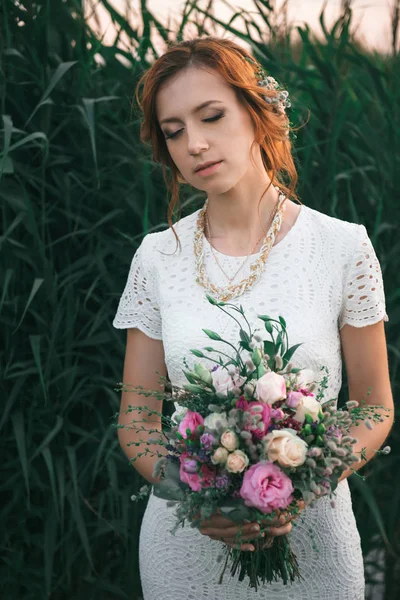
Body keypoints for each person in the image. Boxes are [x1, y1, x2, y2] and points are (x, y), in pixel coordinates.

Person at [112, 36, 393, 600]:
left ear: (255, 111)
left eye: (211, 116)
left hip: (316, 542)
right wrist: (200, 497)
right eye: (174, 131)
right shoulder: (156, 257)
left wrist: (297, 485)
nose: (195, 143)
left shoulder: (342, 247)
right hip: (184, 545)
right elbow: (137, 420)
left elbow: (374, 405)